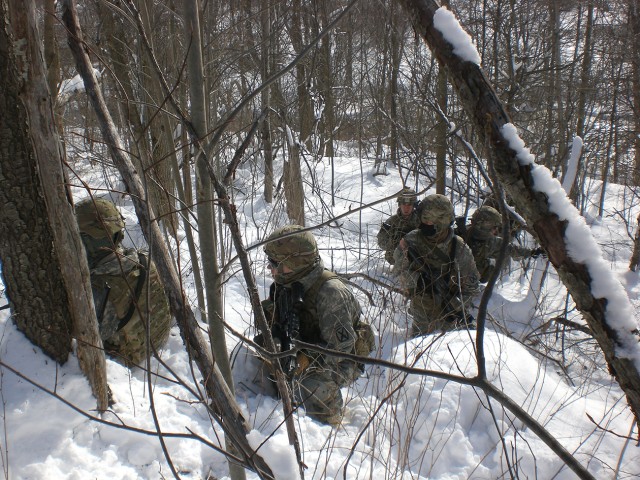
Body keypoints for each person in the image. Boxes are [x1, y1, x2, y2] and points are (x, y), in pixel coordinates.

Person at [256, 225, 374, 426]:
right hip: (308, 342)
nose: (270, 268)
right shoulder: (287, 282)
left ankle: (328, 422)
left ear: (295, 262)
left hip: (345, 357)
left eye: (275, 263)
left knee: (313, 382)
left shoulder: (331, 293)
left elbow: (342, 349)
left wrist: (306, 359)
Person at [75, 198, 172, 366]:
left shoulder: (100, 287)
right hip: (158, 343)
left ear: (89, 240)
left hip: (130, 366)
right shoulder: (143, 260)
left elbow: (92, 340)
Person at [394, 194, 480, 337]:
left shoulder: (458, 247)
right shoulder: (411, 240)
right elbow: (398, 272)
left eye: (430, 221)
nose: (425, 224)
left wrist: (457, 304)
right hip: (422, 307)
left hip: (451, 309)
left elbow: (472, 286)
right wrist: (418, 280)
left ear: (442, 222)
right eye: (424, 219)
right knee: (418, 344)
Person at [464, 206, 545, 283]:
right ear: (483, 225)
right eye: (494, 227)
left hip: (468, 282)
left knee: (490, 266)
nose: (496, 232)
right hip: (455, 280)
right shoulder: (458, 237)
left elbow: (510, 248)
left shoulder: (491, 241)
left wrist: (532, 252)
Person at [377, 188, 420, 265]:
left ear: (414, 205)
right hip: (396, 261)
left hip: (417, 261)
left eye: (409, 204)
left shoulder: (420, 221)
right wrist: (395, 241)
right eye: (404, 204)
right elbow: (381, 242)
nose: (406, 207)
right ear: (399, 204)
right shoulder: (391, 221)